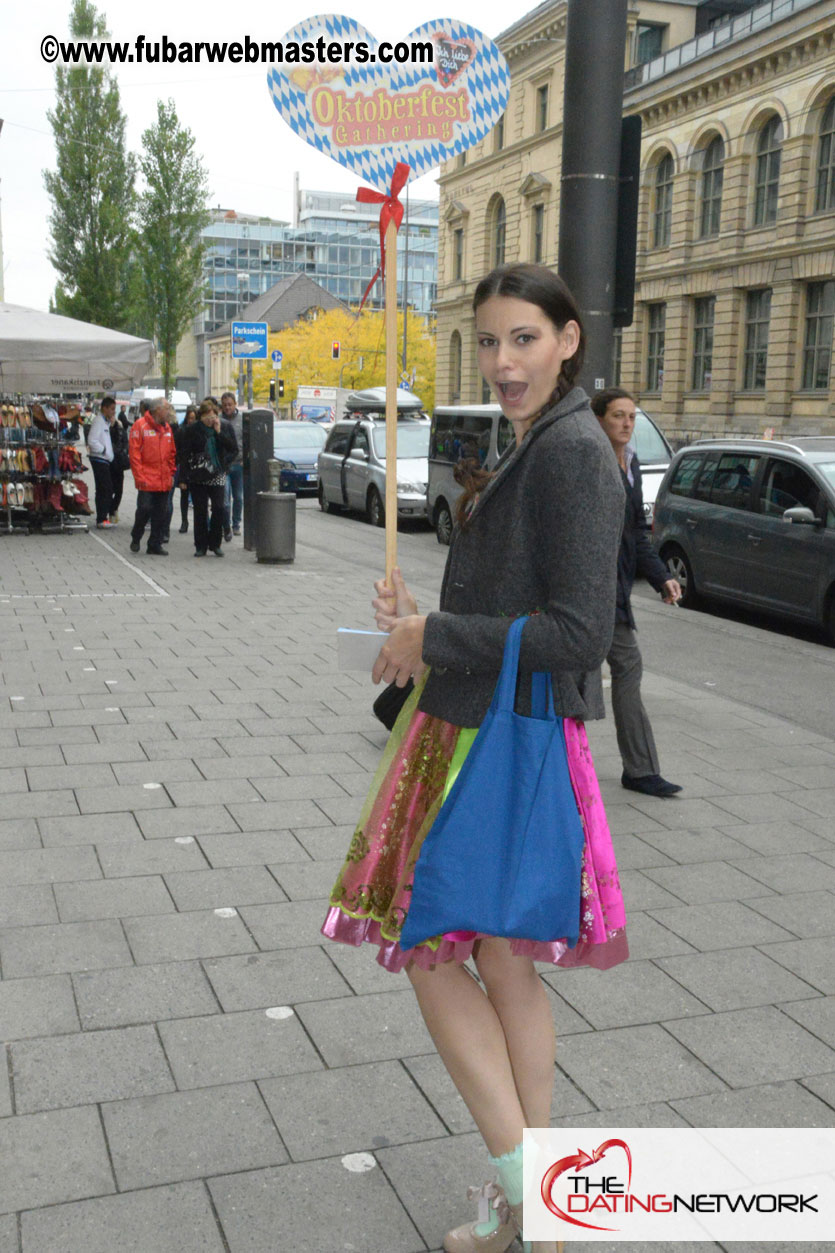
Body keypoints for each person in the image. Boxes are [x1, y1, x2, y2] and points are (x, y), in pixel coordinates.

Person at [322, 263, 627, 1253]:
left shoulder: (573, 450)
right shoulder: (540, 439)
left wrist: (436, 634)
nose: (501, 361)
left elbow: (580, 633)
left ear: (567, 340)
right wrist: (416, 623)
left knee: (428, 951)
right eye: (490, 341)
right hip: (487, 727)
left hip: (496, 742)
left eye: (523, 339)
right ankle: (538, 1196)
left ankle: (527, 1191)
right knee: (500, 963)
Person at [590, 388, 683, 799]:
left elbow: (636, 534)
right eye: (618, 416)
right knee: (569, 679)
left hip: (614, 594)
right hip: (586, 593)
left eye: (632, 417)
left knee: (626, 669)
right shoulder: (590, 463)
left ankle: (641, 770)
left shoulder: (631, 464)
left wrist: (662, 576)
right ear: (598, 420)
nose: (627, 424)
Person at [177, 398, 238, 557]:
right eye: (207, 417)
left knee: (219, 507)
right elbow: (184, 454)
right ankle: (201, 545)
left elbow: (233, 448)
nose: (211, 420)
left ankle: (215, 543)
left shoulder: (223, 427)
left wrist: (218, 433)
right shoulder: (192, 430)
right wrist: (183, 478)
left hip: (217, 473)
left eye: (213, 417)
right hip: (199, 475)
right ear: (201, 416)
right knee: (200, 510)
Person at [128, 398, 177, 556]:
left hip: (163, 478)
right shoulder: (140, 425)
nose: (169, 413)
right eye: (167, 409)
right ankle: (136, 536)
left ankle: (154, 544)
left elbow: (171, 453)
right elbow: (134, 453)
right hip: (147, 477)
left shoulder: (167, 428)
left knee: (161, 513)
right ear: (157, 410)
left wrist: (171, 473)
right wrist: (139, 476)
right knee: (144, 508)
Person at [86, 397, 116, 528]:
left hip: (104, 459)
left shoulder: (105, 422)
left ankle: (102, 518)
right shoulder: (98, 421)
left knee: (104, 488)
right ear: (104, 408)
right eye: (112, 409)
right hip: (99, 459)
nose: (113, 412)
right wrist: (103, 451)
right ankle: (102, 518)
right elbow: (92, 440)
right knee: (106, 488)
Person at [220, 391, 244, 539]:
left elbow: (247, 440)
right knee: (225, 499)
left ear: (235, 404)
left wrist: (245, 460)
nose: (227, 407)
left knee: (239, 497)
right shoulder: (219, 420)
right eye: (225, 405)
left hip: (239, 464)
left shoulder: (242, 420)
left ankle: (236, 524)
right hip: (224, 466)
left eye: (230, 404)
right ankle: (226, 525)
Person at [175, 406, 198, 533]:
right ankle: (184, 521)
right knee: (184, 495)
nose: (191, 421)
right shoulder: (181, 431)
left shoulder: (200, 431)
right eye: (190, 418)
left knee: (197, 497)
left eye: (194, 418)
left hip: (197, 469)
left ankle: (197, 523)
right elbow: (177, 450)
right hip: (185, 467)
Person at [109, 401, 130, 524]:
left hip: (118, 462)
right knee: (109, 489)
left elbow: (125, 442)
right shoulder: (105, 427)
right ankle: (111, 511)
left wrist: (124, 451)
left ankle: (114, 509)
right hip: (108, 462)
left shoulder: (120, 426)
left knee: (119, 490)